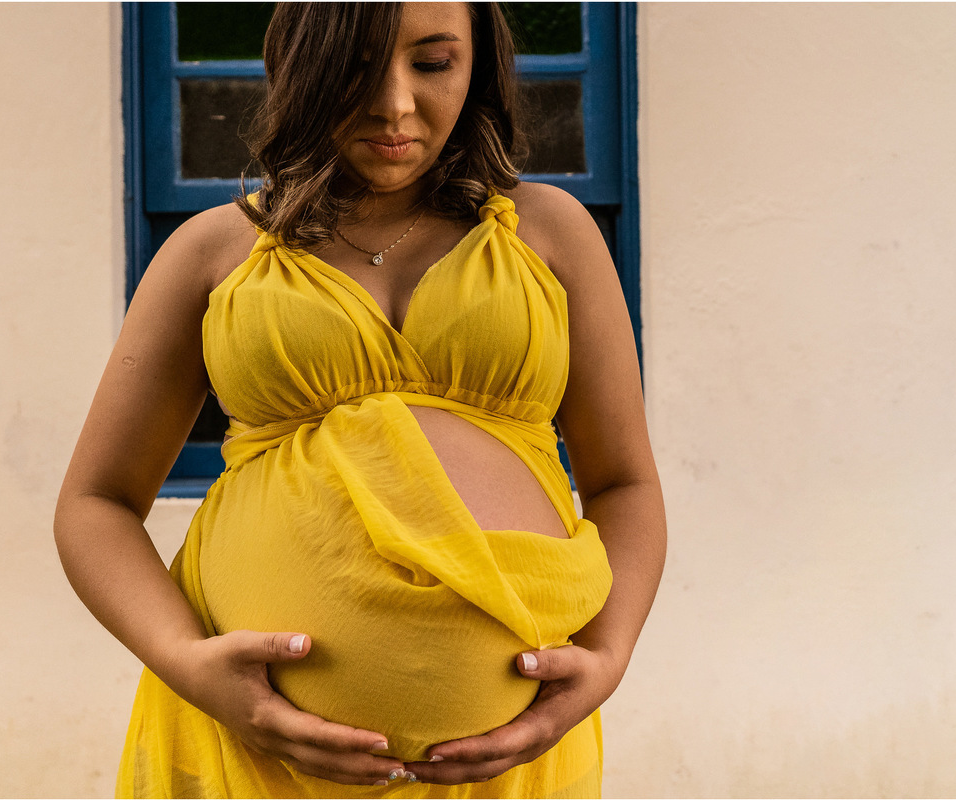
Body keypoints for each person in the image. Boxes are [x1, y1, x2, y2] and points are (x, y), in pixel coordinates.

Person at [54, 2, 666, 797]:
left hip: (503, 770)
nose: (394, 104)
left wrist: (608, 657)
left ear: (477, 64)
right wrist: (190, 664)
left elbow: (625, 483)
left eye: (433, 63)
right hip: (255, 761)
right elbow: (94, 502)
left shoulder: (550, 234)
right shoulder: (213, 253)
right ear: (303, 61)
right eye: (357, 64)